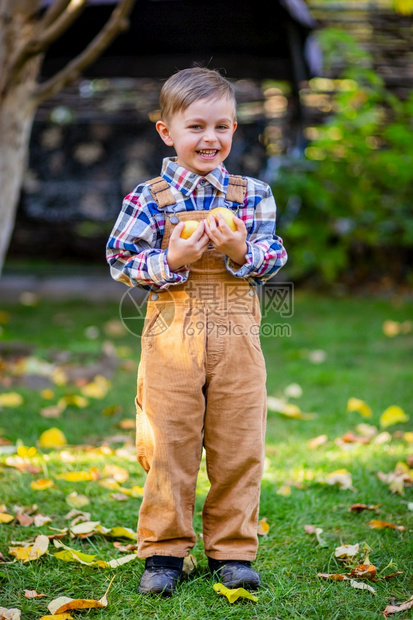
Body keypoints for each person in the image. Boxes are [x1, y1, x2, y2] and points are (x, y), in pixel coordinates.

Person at [106, 66, 287, 596]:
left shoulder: (252, 194)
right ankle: (164, 551)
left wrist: (238, 250)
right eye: (197, 127)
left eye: (222, 127)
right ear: (167, 131)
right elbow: (121, 260)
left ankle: (232, 551)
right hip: (171, 337)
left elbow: (271, 257)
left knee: (239, 444)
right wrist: (171, 257)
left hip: (236, 339)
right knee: (168, 442)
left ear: (233, 129)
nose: (210, 138)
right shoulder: (149, 196)